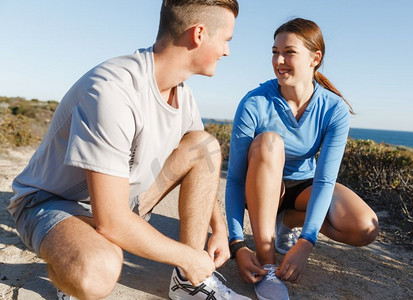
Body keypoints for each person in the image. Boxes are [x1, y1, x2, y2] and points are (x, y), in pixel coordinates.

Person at [8, 1, 251, 299]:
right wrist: (188, 256)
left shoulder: (183, 94)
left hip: (120, 199)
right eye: (226, 40)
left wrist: (220, 230)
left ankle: (188, 284)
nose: (227, 51)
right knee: (97, 268)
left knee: (205, 145)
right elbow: (111, 220)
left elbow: (203, 162)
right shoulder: (112, 90)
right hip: (50, 203)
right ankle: (72, 267)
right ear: (199, 34)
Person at [225, 18, 379, 300]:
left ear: (315, 58)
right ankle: (267, 263)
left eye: (289, 52)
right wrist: (237, 243)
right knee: (271, 142)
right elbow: (234, 179)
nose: (278, 60)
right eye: (274, 51)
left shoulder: (333, 109)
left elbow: (324, 180)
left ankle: (286, 221)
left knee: (363, 227)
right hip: (257, 186)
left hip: (301, 187)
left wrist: (306, 242)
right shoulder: (254, 102)